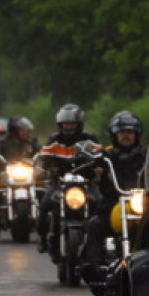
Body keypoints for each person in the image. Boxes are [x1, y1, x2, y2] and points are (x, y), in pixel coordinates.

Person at [81, 111, 147, 296]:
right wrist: (89, 165)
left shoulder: (146, 155)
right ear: (115, 135)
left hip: (141, 205)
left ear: (137, 135)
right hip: (112, 205)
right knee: (94, 225)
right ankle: (95, 268)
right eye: (122, 132)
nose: (126, 135)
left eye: (130, 132)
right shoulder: (105, 156)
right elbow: (88, 171)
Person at [35, 104, 101, 253]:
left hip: (85, 184)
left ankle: (100, 244)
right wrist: (39, 169)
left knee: (100, 206)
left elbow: (101, 157)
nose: (69, 127)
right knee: (45, 204)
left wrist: (99, 169)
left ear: (79, 124)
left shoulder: (90, 139)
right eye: (66, 124)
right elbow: (43, 157)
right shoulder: (54, 139)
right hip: (60, 184)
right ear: (60, 124)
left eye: (72, 124)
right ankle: (43, 238)